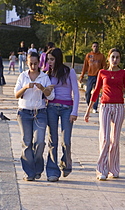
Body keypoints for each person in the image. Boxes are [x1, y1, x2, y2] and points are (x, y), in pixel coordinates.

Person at [84, 48, 125, 181]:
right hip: (105, 106)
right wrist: (88, 110)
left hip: (119, 106)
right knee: (106, 138)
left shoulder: (123, 73)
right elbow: (96, 91)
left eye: (117, 57)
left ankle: (114, 168)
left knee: (115, 141)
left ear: (120, 59)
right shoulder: (102, 72)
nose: (115, 60)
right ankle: (101, 169)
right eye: (113, 57)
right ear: (108, 58)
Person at [14, 52, 55, 181]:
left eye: (35, 63)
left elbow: (51, 96)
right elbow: (16, 94)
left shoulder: (44, 77)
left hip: (40, 112)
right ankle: (29, 172)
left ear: (39, 63)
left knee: (40, 142)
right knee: (26, 142)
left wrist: (43, 88)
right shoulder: (23, 76)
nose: (33, 66)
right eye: (31, 63)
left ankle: (38, 167)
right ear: (27, 63)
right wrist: (26, 87)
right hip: (24, 112)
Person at [45, 48, 80, 182]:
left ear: (58, 59)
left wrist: (74, 112)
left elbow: (76, 93)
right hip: (52, 108)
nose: (50, 62)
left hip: (67, 108)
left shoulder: (69, 72)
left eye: (52, 59)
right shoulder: (47, 73)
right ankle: (52, 171)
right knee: (52, 140)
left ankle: (66, 165)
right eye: (48, 59)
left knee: (66, 141)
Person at [79, 42, 106, 113]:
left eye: (96, 46)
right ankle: (89, 104)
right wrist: (82, 76)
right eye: (94, 46)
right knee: (88, 92)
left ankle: (95, 107)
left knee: (96, 92)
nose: (95, 48)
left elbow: (104, 66)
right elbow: (85, 66)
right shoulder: (88, 55)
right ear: (92, 47)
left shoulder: (101, 56)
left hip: (98, 76)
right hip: (90, 76)